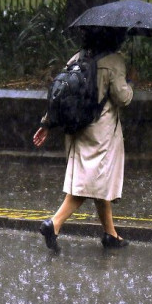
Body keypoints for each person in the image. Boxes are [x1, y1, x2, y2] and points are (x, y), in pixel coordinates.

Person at [33, 27, 134, 252]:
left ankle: (111, 234)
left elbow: (62, 93)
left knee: (97, 179)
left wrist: (46, 123)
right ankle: (54, 223)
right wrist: (130, 83)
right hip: (101, 133)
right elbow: (122, 97)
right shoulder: (114, 61)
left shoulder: (77, 58)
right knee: (89, 184)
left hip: (78, 129)